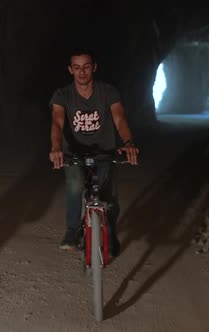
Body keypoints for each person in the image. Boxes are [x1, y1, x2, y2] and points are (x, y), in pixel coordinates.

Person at [49, 48, 139, 257]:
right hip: (73, 154)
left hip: (104, 151)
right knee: (75, 183)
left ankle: (110, 232)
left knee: (110, 199)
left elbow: (119, 118)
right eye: (77, 67)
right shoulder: (62, 95)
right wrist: (55, 148)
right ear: (70, 70)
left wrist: (128, 142)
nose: (82, 72)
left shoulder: (108, 92)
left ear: (94, 68)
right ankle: (72, 231)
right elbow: (57, 121)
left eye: (86, 67)